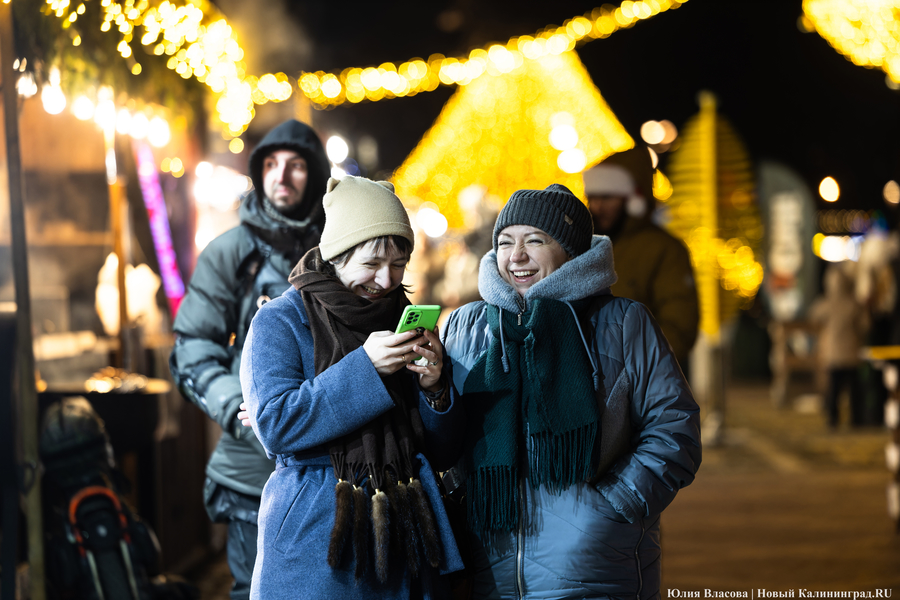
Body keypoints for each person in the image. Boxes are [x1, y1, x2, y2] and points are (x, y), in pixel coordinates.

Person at [442, 183, 702, 599]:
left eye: (535, 240)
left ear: (572, 252)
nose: (517, 256)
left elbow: (675, 432)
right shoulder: (466, 326)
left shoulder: (623, 323)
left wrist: (614, 507)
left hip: (595, 567)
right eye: (506, 242)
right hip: (486, 568)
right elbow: (442, 437)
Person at [240, 175, 464, 598]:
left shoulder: (403, 317)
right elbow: (275, 426)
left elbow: (443, 450)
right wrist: (366, 368)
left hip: (406, 535)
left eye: (399, 263)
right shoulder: (280, 321)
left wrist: (436, 388)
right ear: (337, 254)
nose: (386, 280)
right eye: (371, 264)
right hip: (318, 542)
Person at [169, 119, 329, 599]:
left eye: (296, 165)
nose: (282, 175)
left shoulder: (340, 249)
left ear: (315, 174)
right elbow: (192, 348)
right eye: (271, 164)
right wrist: (242, 411)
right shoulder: (231, 253)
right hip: (251, 471)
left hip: (330, 466)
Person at [583, 147, 699, 368]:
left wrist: (636, 369)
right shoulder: (585, 246)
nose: (597, 206)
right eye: (593, 197)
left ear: (632, 198)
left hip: (642, 383)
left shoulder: (664, 250)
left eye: (607, 197)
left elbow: (678, 324)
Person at [809, 264, 870, 428]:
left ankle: (833, 420)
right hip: (851, 353)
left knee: (834, 390)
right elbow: (865, 325)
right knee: (853, 390)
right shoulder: (853, 304)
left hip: (832, 354)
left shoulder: (826, 304)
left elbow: (813, 316)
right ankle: (856, 420)